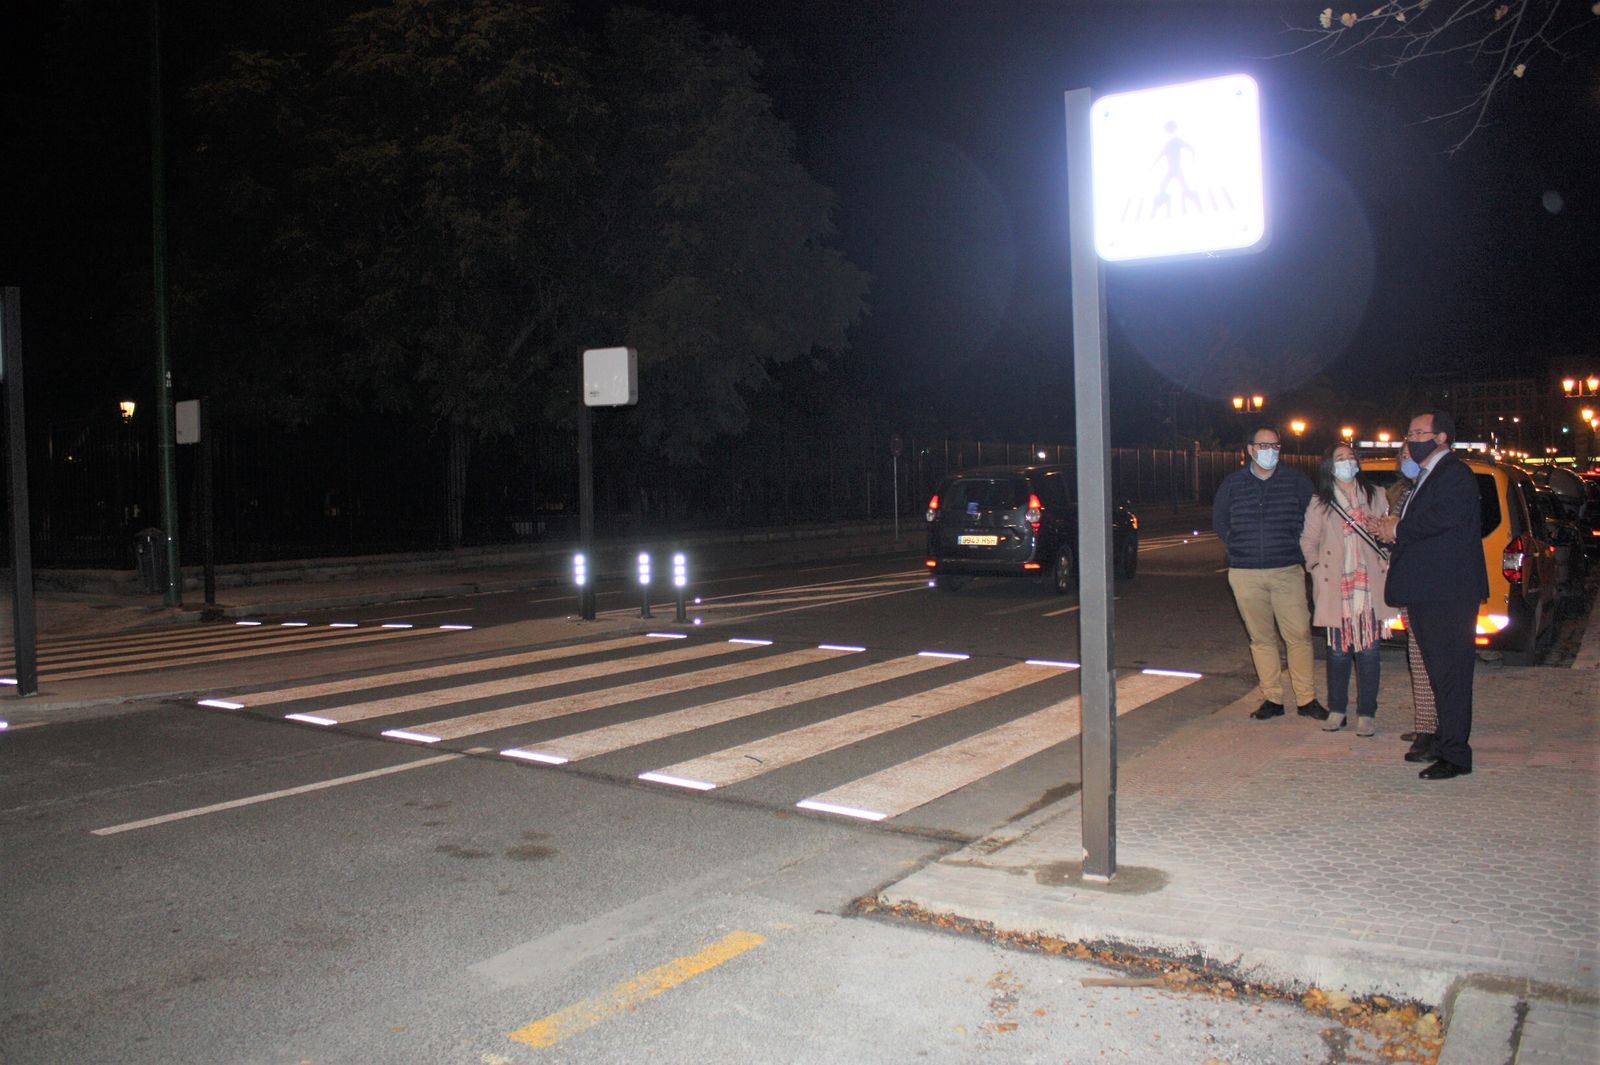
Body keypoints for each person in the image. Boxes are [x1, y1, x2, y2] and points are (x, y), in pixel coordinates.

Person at [1373, 410, 1488, 780]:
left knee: (1451, 674)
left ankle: (1456, 755)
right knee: (1439, 674)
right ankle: (1442, 740)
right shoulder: (1427, 476)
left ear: (1440, 438)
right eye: (1408, 433)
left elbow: (1442, 520)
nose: (1409, 440)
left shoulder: (1454, 473)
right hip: (1428, 590)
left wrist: (1399, 528)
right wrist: (1392, 528)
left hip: (1447, 592)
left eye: (1416, 433)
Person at [1213, 425, 1326, 721]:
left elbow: (1313, 520)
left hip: (1287, 569)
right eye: (1264, 446)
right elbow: (1220, 521)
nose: (1270, 452)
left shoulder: (1296, 481)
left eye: (1275, 446)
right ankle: (1272, 697)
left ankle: (1306, 698)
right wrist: (1240, 546)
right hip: (1245, 573)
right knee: (1261, 638)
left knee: (1299, 635)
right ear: (1250, 450)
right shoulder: (1232, 484)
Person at [1300, 444, 1397, 735]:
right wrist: (1315, 568)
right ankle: (1337, 710)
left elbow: (1389, 533)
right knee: (1338, 652)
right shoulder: (1320, 502)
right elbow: (1308, 541)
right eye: (1339, 459)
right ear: (1329, 466)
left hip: (1368, 585)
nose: (1346, 463)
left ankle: (1367, 713)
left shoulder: (1376, 495)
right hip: (1336, 586)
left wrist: (1380, 529)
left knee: (1369, 650)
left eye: (1350, 457)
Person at [1387, 457, 1440, 762]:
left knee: (1427, 658)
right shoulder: (1404, 491)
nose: (1407, 459)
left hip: (1428, 585)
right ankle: (1425, 726)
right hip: (1409, 582)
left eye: (1412, 452)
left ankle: (1433, 731)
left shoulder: (1431, 490)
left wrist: (1393, 529)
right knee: (1417, 657)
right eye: (1403, 453)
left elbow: (1414, 531)